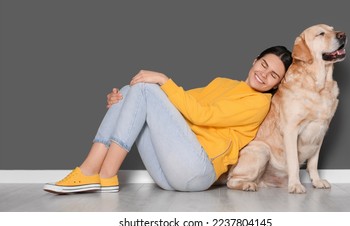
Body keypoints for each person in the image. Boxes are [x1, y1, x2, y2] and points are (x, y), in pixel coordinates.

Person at [43, 46, 292, 193]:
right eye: (263, 64)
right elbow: (176, 102)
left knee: (146, 88)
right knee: (132, 91)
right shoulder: (223, 83)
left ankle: (101, 172)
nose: (264, 75)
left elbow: (200, 115)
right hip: (169, 173)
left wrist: (163, 78)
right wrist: (119, 104)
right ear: (254, 61)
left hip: (198, 171)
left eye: (273, 76)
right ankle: (92, 171)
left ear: (277, 84)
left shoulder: (260, 103)